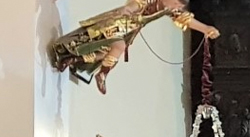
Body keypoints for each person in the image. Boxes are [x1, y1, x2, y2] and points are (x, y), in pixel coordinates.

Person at [50, 0, 220, 94]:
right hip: (116, 24)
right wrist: (127, 9)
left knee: (105, 53)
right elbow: (134, 5)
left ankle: (73, 59)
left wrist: (206, 29)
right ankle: (101, 74)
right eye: (177, 2)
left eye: (180, 6)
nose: (177, 7)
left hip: (129, 31)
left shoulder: (168, 9)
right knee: (117, 46)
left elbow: (185, 19)